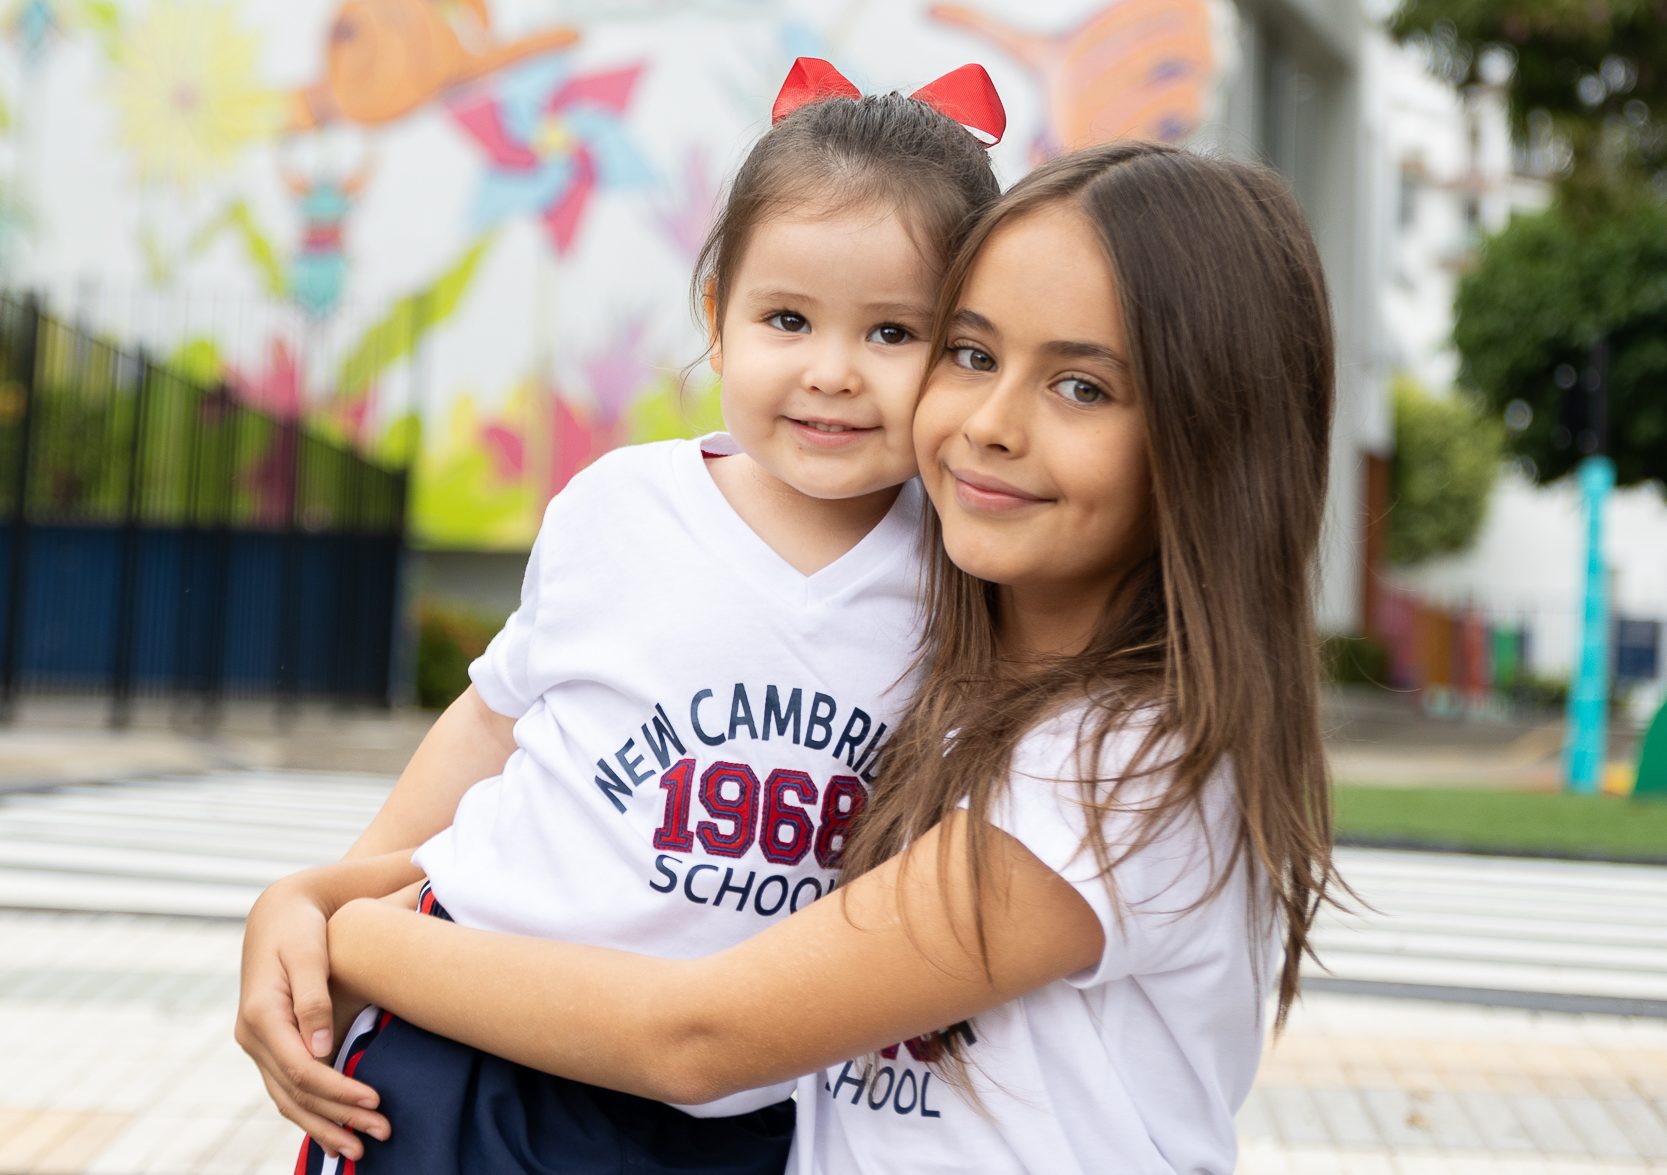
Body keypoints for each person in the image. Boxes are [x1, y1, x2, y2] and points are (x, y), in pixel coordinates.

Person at [278, 140, 1344, 1173]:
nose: (989, 422)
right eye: (970, 355)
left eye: (1081, 387)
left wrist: (339, 931)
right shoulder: (948, 669)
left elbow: (696, 1038)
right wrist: (329, 888)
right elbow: (553, 795)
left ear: (1213, 435)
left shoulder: (1121, 765)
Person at [235, 58, 1005, 1174]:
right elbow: (494, 720)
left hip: (754, 1107)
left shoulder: (968, 570)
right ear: (717, 317)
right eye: (787, 317)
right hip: (472, 1047)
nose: (832, 371)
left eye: (894, 333)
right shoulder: (620, 507)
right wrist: (339, 916)